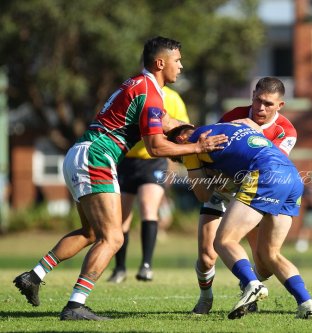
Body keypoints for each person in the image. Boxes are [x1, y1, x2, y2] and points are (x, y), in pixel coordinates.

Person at [12, 36, 228, 321]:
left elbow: (165, 123)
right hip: (98, 156)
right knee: (113, 238)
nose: (182, 66)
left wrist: (194, 130)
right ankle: (76, 306)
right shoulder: (150, 93)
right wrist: (198, 147)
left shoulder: (139, 84)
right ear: (160, 63)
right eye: (177, 60)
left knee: (91, 233)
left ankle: (34, 276)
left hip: (81, 153)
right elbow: (155, 147)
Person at [166, 122, 312, 320]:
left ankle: (252, 285)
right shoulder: (227, 125)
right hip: (292, 176)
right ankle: (307, 305)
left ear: (180, 140)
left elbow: (203, 194)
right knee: (269, 253)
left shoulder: (193, 145)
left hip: (266, 173)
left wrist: (198, 168)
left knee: (223, 241)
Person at [190, 77, 297, 315]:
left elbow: (271, 164)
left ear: (280, 106)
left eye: (268, 104)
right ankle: (205, 298)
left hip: (252, 195)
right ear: (252, 96)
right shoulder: (232, 116)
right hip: (221, 189)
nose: (260, 108)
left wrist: (253, 130)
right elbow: (210, 152)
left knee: (264, 263)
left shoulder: (286, 131)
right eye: (257, 100)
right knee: (208, 256)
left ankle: (248, 287)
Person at [107, 85, 190, 283]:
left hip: (154, 161)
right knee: (122, 216)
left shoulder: (173, 97)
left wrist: (172, 164)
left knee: (148, 208)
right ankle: (119, 268)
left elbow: (183, 133)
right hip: (126, 160)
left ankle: (146, 266)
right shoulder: (134, 94)